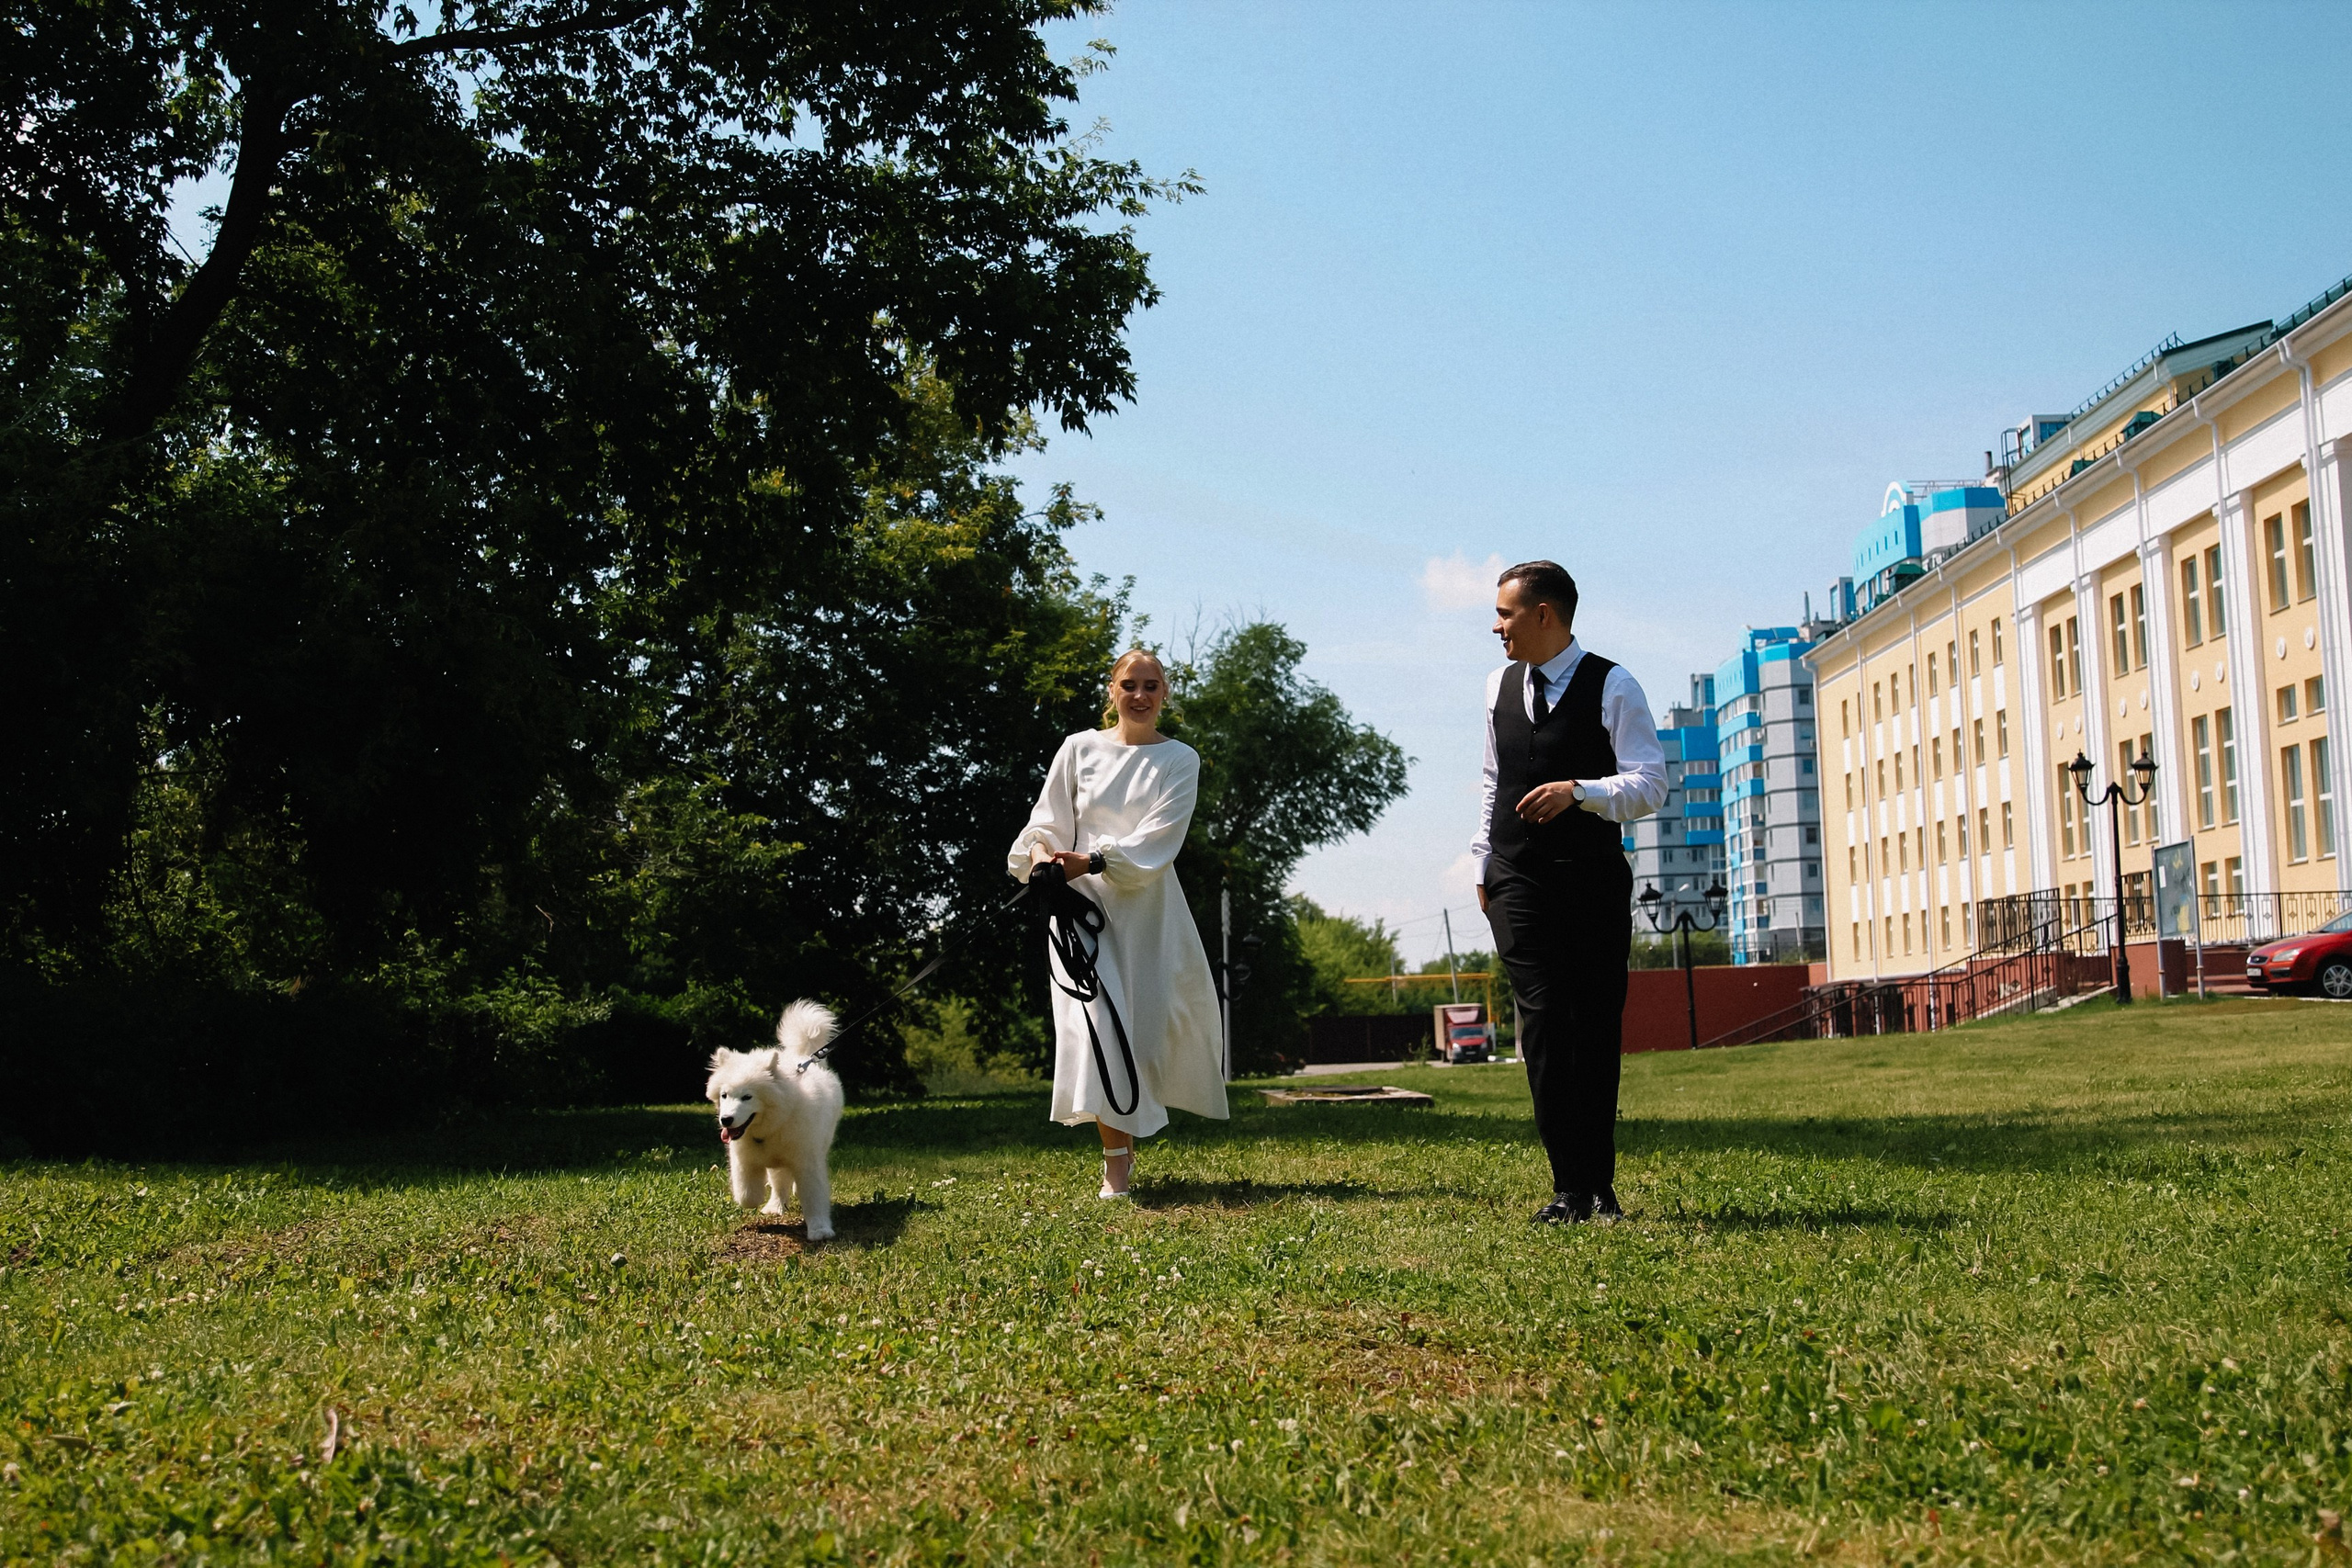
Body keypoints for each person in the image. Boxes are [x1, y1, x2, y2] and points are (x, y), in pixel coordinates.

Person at [1473, 561, 1667, 1224]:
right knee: (1546, 1020)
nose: (1496, 626)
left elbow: (1651, 783)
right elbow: (1493, 779)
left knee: (1592, 1024)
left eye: (1504, 614)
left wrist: (1581, 792)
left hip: (1590, 880)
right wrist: (1482, 863)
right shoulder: (1497, 686)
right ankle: (1568, 1187)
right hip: (1516, 876)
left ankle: (1596, 1185)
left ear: (1543, 614)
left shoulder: (1614, 685)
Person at [1007, 649, 1228, 1197]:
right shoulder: (1077, 748)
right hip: (1078, 914)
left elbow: (1159, 838)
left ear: (1165, 693)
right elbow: (1046, 823)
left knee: (1143, 1036)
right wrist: (1042, 857)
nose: (1140, 695)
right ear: (1112, 690)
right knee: (1096, 1030)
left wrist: (1092, 860)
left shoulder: (1180, 759)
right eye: (1129, 684)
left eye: (1151, 685)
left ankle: (1125, 1144)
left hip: (1149, 914)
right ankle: (1115, 1166)